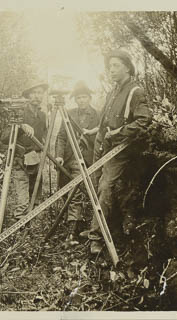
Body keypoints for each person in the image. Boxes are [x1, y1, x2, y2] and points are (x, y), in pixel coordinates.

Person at [83, 49, 152, 254]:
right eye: (109, 66)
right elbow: (105, 119)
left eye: (116, 66)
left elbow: (144, 121)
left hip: (120, 150)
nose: (111, 70)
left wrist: (119, 132)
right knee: (96, 184)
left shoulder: (135, 91)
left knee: (105, 186)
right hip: (102, 145)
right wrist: (97, 134)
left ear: (127, 68)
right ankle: (102, 227)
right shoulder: (112, 91)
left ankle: (95, 237)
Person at [55, 81, 100, 242]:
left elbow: (100, 138)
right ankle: (78, 221)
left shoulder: (97, 115)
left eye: (84, 97)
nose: (81, 100)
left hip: (85, 160)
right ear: (75, 99)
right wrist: (59, 155)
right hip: (68, 158)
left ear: (89, 98)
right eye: (79, 97)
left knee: (76, 193)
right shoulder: (69, 114)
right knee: (64, 190)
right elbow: (61, 136)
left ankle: (72, 230)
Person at [1, 82, 48, 223]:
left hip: (36, 159)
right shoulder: (19, 112)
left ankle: (32, 225)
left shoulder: (42, 115)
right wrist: (21, 125)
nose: (37, 96)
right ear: (27, 96)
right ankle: (19, 224)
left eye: (40, 93)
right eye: (34, 93)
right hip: (20, 160)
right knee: (22, 199)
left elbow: (44, 136)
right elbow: (4, 137)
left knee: (36, 195)